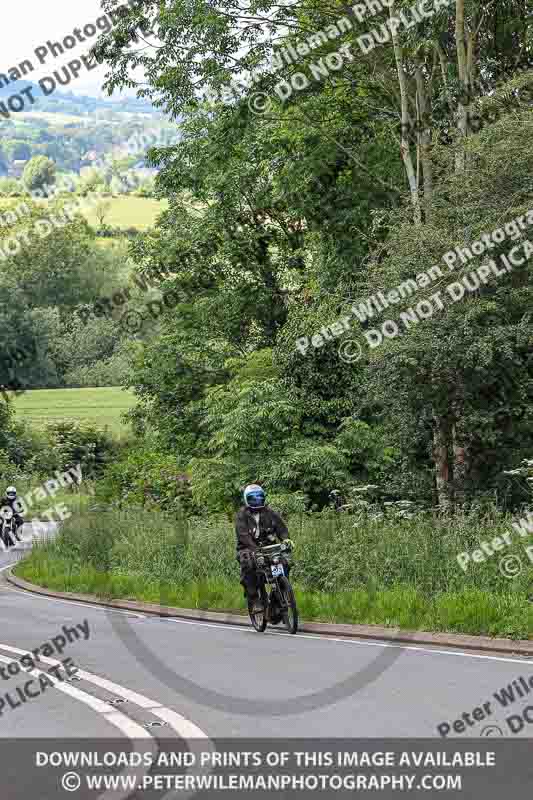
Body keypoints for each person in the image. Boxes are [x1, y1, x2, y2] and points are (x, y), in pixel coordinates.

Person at [235, 484, 292, 612]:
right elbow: (243, 536)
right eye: (253, 498)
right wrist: (255, 550)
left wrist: (286, 539)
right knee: (247, 563)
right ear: (246, 499)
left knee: (285, 563)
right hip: (247, 548)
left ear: (263, 498)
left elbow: (282, 529)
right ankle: (254, 599)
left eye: (259, 498)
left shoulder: (270, 513)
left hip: (269, 548)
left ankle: (278, 597)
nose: (256, 501)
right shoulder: (241, 515)